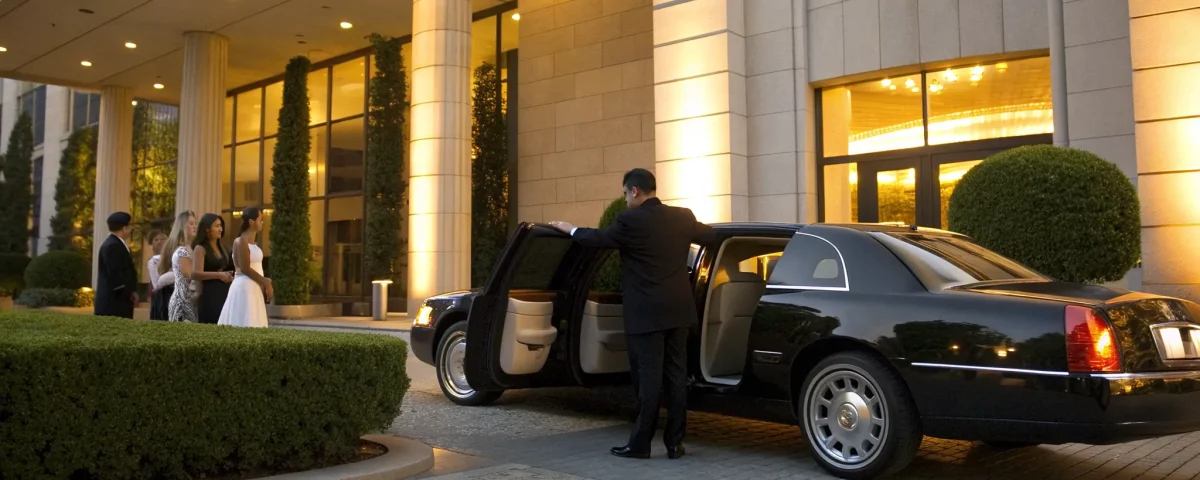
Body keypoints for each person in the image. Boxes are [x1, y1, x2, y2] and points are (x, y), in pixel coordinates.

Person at [549, 168, 716, 460]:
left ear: (635, 191)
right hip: (679, 310)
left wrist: (570, 229)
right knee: (676, 377)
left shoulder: (630, 220)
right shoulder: (682, 216)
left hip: (646, 314)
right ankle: (675, 444)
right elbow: (711, 236)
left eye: (626, 193)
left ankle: (640, 444)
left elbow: (599, 238)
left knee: (648, 380)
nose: (625, 199)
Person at [218, 206, 273, 328]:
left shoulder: (255, 243)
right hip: (245, 286)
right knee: (244, 321)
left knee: (254, 322)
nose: (262, 222)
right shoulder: (240, 241)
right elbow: (245, 268)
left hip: (254, 287)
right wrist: (266, 282)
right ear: (251, 222)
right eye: (260, 219)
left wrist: (263, 283)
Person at [192, 214, 235, 324]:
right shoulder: (200, 248)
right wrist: (218, 275)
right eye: (216, 226)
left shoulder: (223, 248)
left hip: (225, 293)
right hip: (210, 295)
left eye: (221, 225)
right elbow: (196, 274)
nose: (220, 229)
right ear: (207, 229)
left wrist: (230, 276)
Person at [95, 212, 139, 318]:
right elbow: (117, 274)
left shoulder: (113, 244)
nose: (131, 229)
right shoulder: (113, 246)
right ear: (124, 228)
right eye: (130, 226)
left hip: (115, 302)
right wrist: (130, 292)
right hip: (114, 304)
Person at [161, 211, 198, 322]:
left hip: (188, 298)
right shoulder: (182, 250)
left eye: (195, 223)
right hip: (182, 300)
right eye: (191, 223)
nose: (194, 226)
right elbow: (188, 274)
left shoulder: (190, 248)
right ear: (182, 226)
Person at [145, 229, 170, 320]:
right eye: (156, 240)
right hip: (159, 297)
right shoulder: (152, 262)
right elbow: (155, 283)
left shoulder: (173, 258)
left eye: (163, 239)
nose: (160, 242)